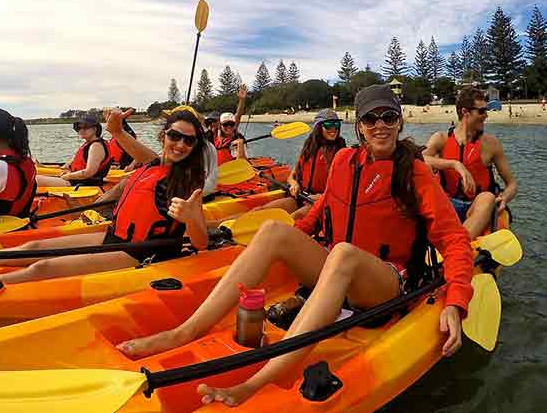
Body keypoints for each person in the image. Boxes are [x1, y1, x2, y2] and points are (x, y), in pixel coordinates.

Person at [116, 84, 474, 407]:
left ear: (399, 122)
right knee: (274, 229)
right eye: (370, 118)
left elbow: (454, 239)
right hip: (335, 270)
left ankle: (261, 380)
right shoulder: (345, 161)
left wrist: (456, 301)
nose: (380, 125)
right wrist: (275, 245)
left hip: (383, 287)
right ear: (359, 125)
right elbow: (320, 211)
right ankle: (186, 331)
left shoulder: (414, 172)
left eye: (389, 117)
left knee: (342, 253)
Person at [0, 108, 209, 284]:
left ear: (196, 146)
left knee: (43, 269)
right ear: (164, 136)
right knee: (33, 246)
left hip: (140, 253)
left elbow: (200, 243)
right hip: (114, 236)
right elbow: (125, 141)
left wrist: (192, 219)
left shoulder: (187, 182)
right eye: (174, 136)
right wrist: (115, 128)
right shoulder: (153, 162)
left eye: (189, 140)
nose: (180, 144)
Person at [212, 109, 345, 223]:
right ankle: (216, 224)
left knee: (294, 218)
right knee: (260, 211)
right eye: (328, 125)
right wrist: (294, 184)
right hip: (300, 197)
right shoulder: (310, 149)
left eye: (336, 125)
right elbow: (291, 176)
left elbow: (343, 189)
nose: (333, 129)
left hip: (320, 202)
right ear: (318, 127)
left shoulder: (341, 153)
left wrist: (321, 197)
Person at [422, 86, 518, 239]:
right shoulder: (441, 139)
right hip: (448, 204)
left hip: (477, 206)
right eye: (481, 111)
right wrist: (454, 164)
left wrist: (504, 198)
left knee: (488, 197)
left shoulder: (491, 144)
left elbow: (512, 184)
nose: (486, 115)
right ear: (465, 112)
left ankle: (458, 246)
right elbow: (420, 159)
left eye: (486, 110)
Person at [36, 116, 112, 187]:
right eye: (79, 128)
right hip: (77, 180)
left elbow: (89, 172)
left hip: (82, 184)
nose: (81, 130)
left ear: (95, 129)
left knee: (35, 179)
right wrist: (69, 173)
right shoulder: (90, 144)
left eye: (85, 127)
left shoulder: (96, 146)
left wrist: (67, 176)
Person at [213, 85, 248, 164]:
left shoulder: (237, 140)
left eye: (231, 124)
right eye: (225, 124)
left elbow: (241, 164)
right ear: (220, 126)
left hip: (231, 171)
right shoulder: (216, 134)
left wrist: (242, 100)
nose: (229, 127)